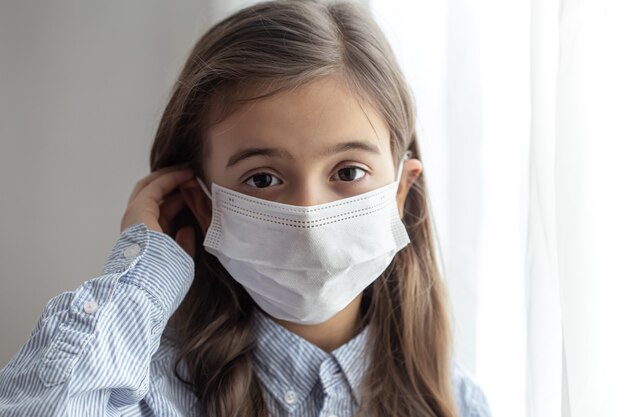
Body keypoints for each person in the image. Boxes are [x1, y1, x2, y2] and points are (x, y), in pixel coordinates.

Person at [0, 1, 492, 416]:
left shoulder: (454, 400)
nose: (309, 216)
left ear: (401, 191)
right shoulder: (145, 393)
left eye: (347, 172)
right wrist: (144, 273)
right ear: (202, 202)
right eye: (262, 178)